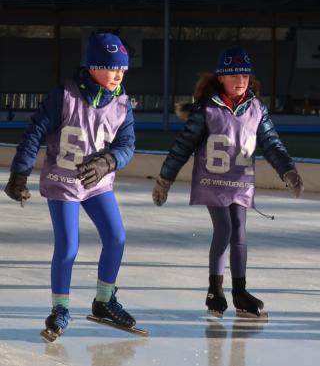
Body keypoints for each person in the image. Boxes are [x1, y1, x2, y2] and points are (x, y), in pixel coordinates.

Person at [151, 46, 303, 318]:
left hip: (240, 183)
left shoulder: (256, 108)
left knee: (240, 232)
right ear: (221, 77)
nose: (240, 80)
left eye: (244, 74)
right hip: (213, 182)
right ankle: (215, 290)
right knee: (225, 228)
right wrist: (165, 178)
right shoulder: (207, 109)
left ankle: (240, 291)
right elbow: (183, 146)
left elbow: (271, 143)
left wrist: (288, 170)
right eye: (233, 75)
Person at [4, 33, 137, 341]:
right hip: (63, 184)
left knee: (116, 237)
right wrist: (20, 174)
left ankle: (104, 300)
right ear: (92, 66)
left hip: (97, 184)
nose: (118, 74)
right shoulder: (64, 96)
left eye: (123, 69)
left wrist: (107, 163)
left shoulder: (122, 103)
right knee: (68, 247)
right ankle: (60, 309)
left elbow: (127, 143)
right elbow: (35, 131)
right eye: (111, 67)